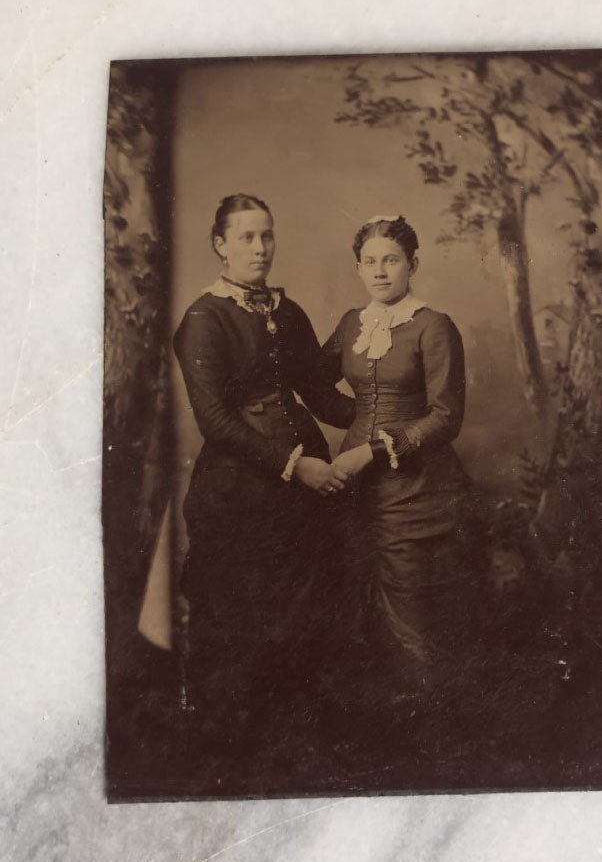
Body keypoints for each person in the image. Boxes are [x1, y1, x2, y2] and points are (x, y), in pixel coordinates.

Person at [173, 194, 354, 754]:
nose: (260, 247)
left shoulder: (286, 311)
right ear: (220, 246)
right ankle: (233, 749)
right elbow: (216, 421)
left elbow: (322, 396)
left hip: (305, 494)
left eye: (267, 236)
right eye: (247, 237)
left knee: (307, 614)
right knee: (242, 621)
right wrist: (294, 468)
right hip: (240, 494)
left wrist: (386, 420)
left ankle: (296, 746)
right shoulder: (204, 318)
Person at [322, 215, 488, 718]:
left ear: (412, 264)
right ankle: (377, 726)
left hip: (417, 488)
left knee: (413, 604)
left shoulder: (434, 326)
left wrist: (369, 448)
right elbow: (313, 380)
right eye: (369, 262)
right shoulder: (353, 323)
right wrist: (354, 423)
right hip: (357, 488)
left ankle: (430, 721)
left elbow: (446, 417)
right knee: (356, 593)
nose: (379, 271)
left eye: (390, 260)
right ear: (358, 268)